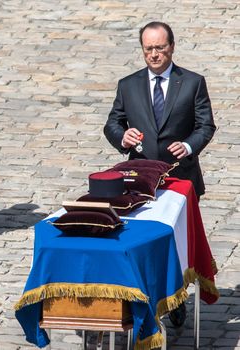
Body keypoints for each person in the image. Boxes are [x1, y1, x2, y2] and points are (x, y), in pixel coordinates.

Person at [104, 21, 216, 328]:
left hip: (181, 180)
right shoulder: (128, 84)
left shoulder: (192, 82)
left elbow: (206, 125)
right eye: (148, 49)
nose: (154, 54)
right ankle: (143, 297)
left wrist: (190, 146)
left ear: (172, 47)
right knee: (144, 241)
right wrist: (122, 137)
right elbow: (113, 123)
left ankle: (176, 298)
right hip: (139, 179)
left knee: (177, 243)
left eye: (160, 48)